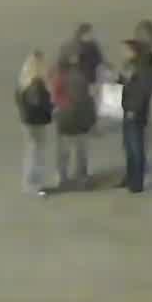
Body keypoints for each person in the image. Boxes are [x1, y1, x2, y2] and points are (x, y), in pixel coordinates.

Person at [50, 29, 104, 190]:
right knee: (79, 150)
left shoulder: (59, 75)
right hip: (77, 117)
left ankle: (62, 176)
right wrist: (91, 120)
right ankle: (80, 178)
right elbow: (86, 100)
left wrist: (60, 107)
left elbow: (54, 97)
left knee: (65, 150)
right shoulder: (79, 77)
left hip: (65, 117)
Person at [116, 27, 152, 191]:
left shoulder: (143, 68)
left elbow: (143, 91)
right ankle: (130, 178)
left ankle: (136, 183)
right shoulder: (130, 65)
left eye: (124, 50)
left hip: (135, 112)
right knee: (129, 147)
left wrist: (133, 109)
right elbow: (123, 85)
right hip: (127, 110)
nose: (122, 54)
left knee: (136, 147)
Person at [12, 52, 56, 193]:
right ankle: (35, 184)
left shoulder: (23, 81)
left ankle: (29, 183)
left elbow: (19, 100)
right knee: (37, 154)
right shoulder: (36, 84)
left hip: (27, 121)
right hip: (37, 122)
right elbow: (40, 103)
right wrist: (52, 105)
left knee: (32, 151)